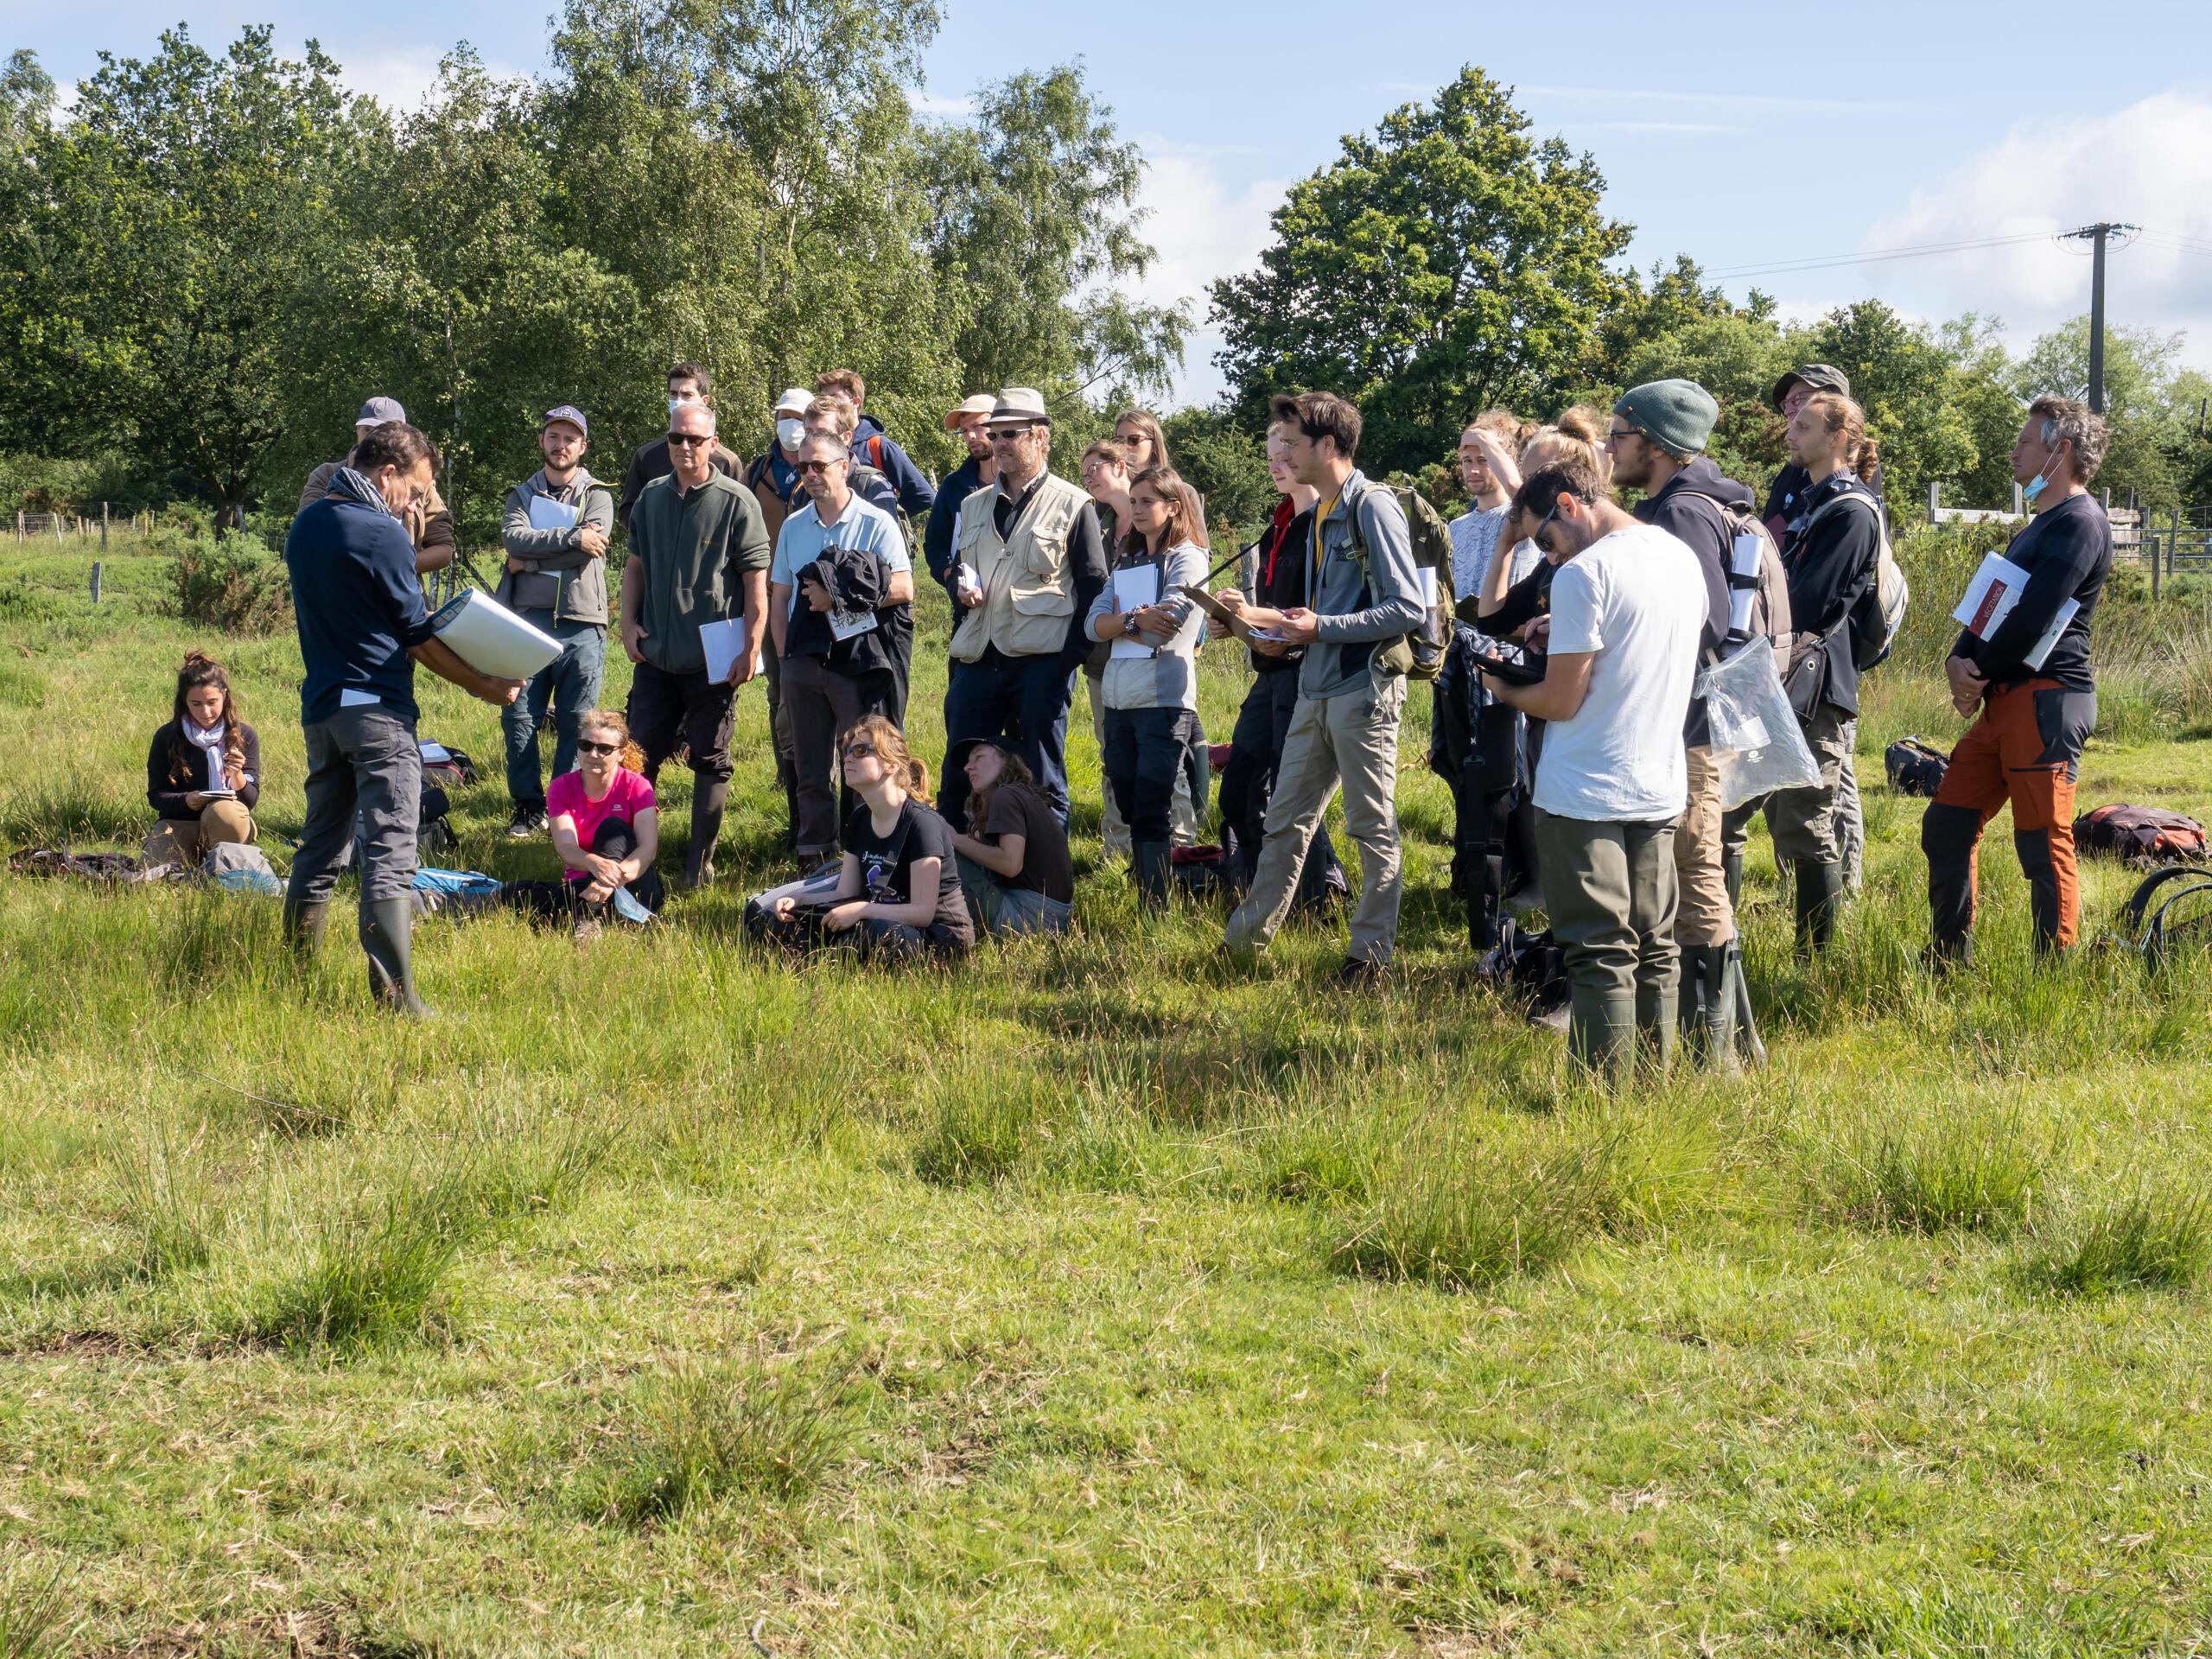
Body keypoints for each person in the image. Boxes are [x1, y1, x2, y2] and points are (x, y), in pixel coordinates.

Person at [281, 423, 522, 1014]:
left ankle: (291, 979)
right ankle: (398, 1002)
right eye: (415, 491)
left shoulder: (305, 525)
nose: (416, 505)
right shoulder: (382, 533)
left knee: (319, 850)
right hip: (379, 716)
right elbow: (417, 635)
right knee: (391, 852)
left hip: (323, 713)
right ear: (386, 473)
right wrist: (485, 685)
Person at [1484, 460, 1707, 1079]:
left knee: (1600, 950)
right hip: (1659, 785)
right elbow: (1636, 643)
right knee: (1655, 947)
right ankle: (1653, 1087)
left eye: (1545, 541)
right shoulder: (1678, 556)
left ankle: (1604, 1099)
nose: (1547, 558)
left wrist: (1503, 688)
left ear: (1568, 504)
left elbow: (1559, 701)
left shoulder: (1584, 573)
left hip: (1585, 789)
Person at [1220, 391, 1424, 983]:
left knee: (1370, 826)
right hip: (1315, 687)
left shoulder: (1371, 507)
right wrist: (1260, 625)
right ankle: (1243, 946)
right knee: (1284, 820)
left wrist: (1322, 629)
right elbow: (1312, 612)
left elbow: (1406, 606)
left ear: (1328, 446)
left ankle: (1370, 957)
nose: (1285, 449)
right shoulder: (1321, 513)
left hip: (1363, 691)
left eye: (1295, 439)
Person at [1924, 397, 2111, 962]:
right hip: (2002, 701)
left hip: (2047, 700)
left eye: (2026, 441)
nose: (2015, 449)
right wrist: (1957, 660)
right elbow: (1990, 605)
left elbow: (2035, 619)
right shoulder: (2038, 525)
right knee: (1947, 825)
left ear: (2062, 451)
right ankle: (1949, 961)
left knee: (2040, 841)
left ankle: (2053, 975)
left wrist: (1974, 674)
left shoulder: (2080, 523)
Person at [1605, 379, 1753, 1065]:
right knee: (1690, 867)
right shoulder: (1673, 504)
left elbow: (1710, 619)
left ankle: (1714, 1046)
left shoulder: (1685, 513)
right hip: (1675, 720)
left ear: (1657, 445)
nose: (1610, 448)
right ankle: (1711, 1038)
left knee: (1696, 869)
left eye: (1620, 436)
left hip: (1688, 726)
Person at [618, 398, 772, 889]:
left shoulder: (736, 501)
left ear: (714, 442)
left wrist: (751, 647)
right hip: (656, 654)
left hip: (714, 658)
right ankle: (637, 855)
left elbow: (755, 582)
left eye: (695, 439)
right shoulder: (650, 498)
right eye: (676, 438)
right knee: (639, 755)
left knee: (711, 756)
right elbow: (635, 568)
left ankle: (697, 866)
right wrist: (626, 623)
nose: (685, 447)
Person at [940, 388, 1110, 833]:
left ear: (1041, 438)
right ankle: (951, 877)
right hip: (978, 659)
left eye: (1010, 433)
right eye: (995, 434)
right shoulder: (971, 505)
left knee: (1041, 774)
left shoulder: (1075, 504)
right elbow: (963, 569)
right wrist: (961, 585)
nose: (998, 443)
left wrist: (1064, 661)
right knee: (961, 772)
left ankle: (1047, 884)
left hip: (1043, 663)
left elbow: (1094, 588)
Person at [1768, 391, 1883, 955]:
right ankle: (1806, 940)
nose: (1792, 430)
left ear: (1837, 438)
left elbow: (1809, 605)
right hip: (1789, 680)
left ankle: (1817, 957)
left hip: (1817, 685)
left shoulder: (1852, 511)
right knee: (1786, 819)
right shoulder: (1815, 500)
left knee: (1809, 821)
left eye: (1805, 424)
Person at [1218, 423, 1346, 912]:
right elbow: (1277, 607)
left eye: (1285, 454)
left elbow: (1315, 610)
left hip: (1307, 673)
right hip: (1269, 671)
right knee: (1240, 788)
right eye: (1270, 456)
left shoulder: (1325, 523)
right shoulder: (1279, 524)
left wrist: (1254, 614)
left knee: (1291, 791)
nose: (1276, 465)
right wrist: (1236, 619)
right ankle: (1259, 889)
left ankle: (1316, 897)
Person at [770, 430, 913, 868]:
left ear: (845, 465)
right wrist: (785, 658)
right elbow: (779, 596)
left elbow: (905, 588)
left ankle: (865, 852)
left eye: (819, 466)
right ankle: (814, 855)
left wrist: (841, 596)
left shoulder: (875, 521)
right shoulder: (794, 526)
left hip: (856, 662)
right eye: (802, 468)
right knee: (809, 767)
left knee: (862, 759)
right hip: (802, 662)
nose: (810, 475)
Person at [745, 715, 975, 960]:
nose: (848, 758)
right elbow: (845, 891)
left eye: (861, 750)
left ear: (891, 765)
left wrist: (861, 910)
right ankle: (815, 965)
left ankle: (838, 959)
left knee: (877, 933)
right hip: (879, 917)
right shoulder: (860, 817)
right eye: (847, 751)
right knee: (785, 919)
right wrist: (799, 899)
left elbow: (923, 912)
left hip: (938, 935)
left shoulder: (922, 822)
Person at [1434, 411, 1538, 949]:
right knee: (1459, 766)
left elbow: (1525, 502)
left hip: (1508, 659)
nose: (1473, 468)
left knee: (1508, 772)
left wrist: (1496, 445)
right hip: (1458, 660)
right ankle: (1470, 864)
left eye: (1483, 458)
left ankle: (1518, 872)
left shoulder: (1522, 522)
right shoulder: (1455, 528)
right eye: (1466, 458)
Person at [1084, 465, 1210, 907]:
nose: (1135, 509)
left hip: (1163, 700)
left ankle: (1155, 904)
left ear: (1173, 507)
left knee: (1154, 798)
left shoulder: (1189, 557)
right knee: (1128, 795)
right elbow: (1091, 625)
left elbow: (1168, 626)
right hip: (1118, 699)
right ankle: (1146, 884)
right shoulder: (1127, 559)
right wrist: (1134, 619)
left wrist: (1121, 624)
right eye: (1132, 501)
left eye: (1146, 502)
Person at [496, 404, 615, 837]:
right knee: (519, 717)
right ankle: (528, 807)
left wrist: (526, 563)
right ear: (542, 442)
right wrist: (570, 537)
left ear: (582, 446)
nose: (560, 445)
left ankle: (561, 804)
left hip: (583, 623)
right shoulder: (521, 494)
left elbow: (592, 546)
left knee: (575, 721)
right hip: (526, 624)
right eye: (553, 436)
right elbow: (513, 536)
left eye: (569, 438)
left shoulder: (598, 494)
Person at [806, 391, 916, 722]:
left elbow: (891, 579)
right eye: (809, 434)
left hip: (878, 637)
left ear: (846, 438)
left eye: (823, 434)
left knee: (878, 738)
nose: (814, 443)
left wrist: (836, 594)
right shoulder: (805, 490)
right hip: (822, 637)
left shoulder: (871, 486)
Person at [507, 709, 666, 937]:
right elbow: (566, 848)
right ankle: (594, 912)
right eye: (585, 745)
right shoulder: (561, 787)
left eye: (604, 749)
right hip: (583, 886)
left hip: (634, 883)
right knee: (516, 892)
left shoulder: (637, 786)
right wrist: (593, 864)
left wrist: (608, 881)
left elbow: (647, 850)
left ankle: (590, 916)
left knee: (613, 829)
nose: (593, 754)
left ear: (621, 754)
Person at [745, 385, 819, 852]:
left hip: (814, 597)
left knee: (816, 696)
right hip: (769, 593)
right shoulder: (757, 469)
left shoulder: (818, 465)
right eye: (781, 415)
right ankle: (785, 775)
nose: (788, 423)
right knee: (779, 689)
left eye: (796, 415)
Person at [298, 397, 454, 581]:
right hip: (339, 593)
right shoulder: (326, 475)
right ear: (357, 430)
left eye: (385, 430)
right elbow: (307, 536)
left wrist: (393, 566)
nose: (376, 437)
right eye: (368, 430)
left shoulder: (420, 485)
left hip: (405, 594)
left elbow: (443, 549)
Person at [144, 650, 261, 868]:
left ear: (225, 696)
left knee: (225, 810)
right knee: (155, 876)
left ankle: (226, 867)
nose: (206, 711)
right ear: (184, 702)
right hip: (178, 822)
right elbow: (156, 795)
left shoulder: (245, 735)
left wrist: (236, 774)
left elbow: (250, 800)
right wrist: (186, 800)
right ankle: (197, 865)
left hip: (225, 821)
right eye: (196, 704)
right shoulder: (166, 736)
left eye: (212, 702)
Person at [948, 737, 1075, 936]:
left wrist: (954, 839)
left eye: (978, 757)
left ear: (1007, 759)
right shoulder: (1023, 795)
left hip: (1029, 917)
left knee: (944, 854)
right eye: (968, 762)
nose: (967, 767)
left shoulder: (1006, 795)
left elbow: (1010, 863)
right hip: (1053, 917)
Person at [616, 361, 745, 531]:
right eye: (673, 394)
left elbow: (739, 516)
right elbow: (627, 511)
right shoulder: (646, 456)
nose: (678, 401)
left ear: (704, 401)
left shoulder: (727, 461)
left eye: (687, 395)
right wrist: (656, 529)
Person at [816, 369, 938, 521]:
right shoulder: (816, 447)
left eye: (834, 397)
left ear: (855, 402)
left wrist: (887, 515)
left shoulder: (878, 446)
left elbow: (924, 495)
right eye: (823, 398)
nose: (827, 404)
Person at [924, 393, 1000, 601]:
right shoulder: (954, 486)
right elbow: (935, 543)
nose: (971, 437)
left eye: (978, 427)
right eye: (965, 431)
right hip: (969, 608)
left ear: (999, 425)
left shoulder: (1022, 484)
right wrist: (950, 576)